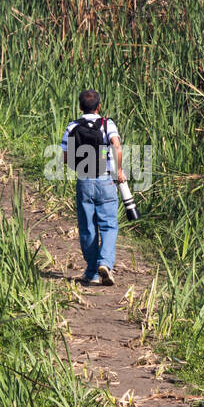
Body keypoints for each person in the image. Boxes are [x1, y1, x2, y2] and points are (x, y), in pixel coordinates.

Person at [61, 89, 124, 286]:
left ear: (80, 107)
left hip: (84, 181)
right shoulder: (107, 124)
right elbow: (117, 145)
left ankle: (92, 272)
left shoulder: (73, 126)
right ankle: (105, 263)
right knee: (109, 225)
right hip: (106, 180)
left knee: (87, 227)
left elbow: (64, 157)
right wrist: (119, 170)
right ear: (99, 107)